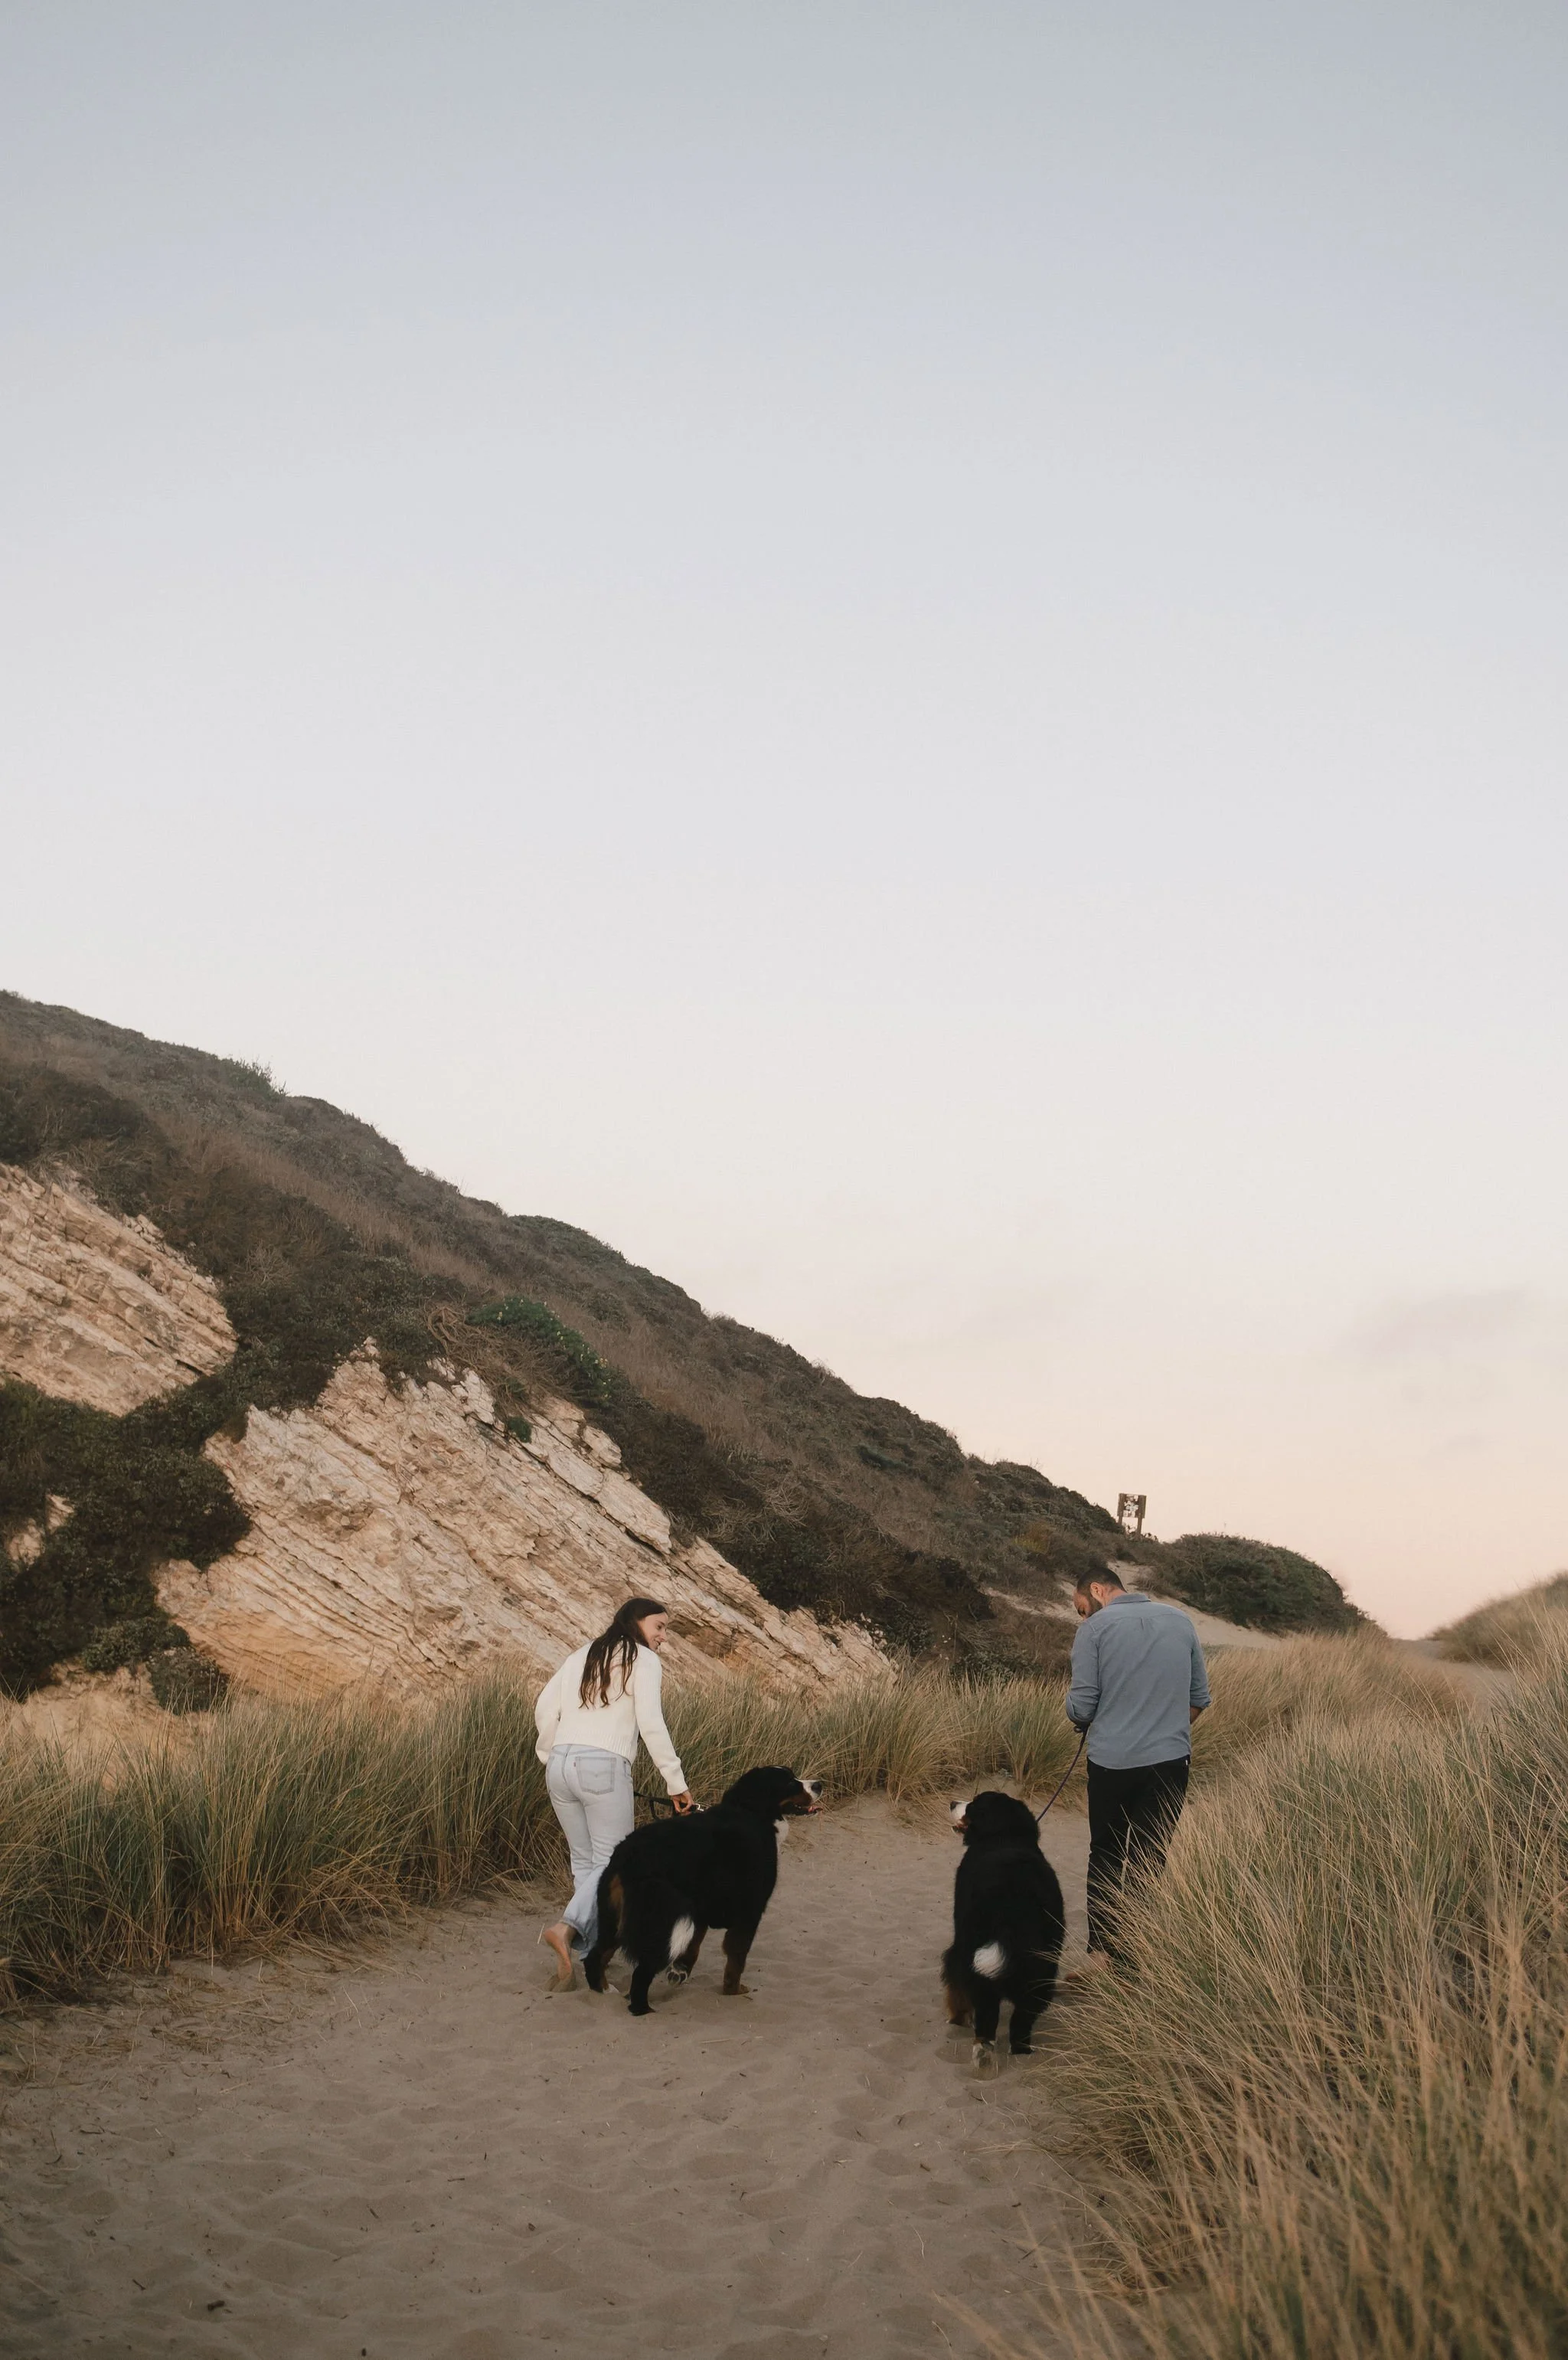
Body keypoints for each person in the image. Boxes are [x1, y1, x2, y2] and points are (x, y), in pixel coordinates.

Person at [535, 1597, 694, 1986]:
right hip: (603, 1766)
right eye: (659, 1627)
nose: (663, 1637)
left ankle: (592, 1958)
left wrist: (551, 1754)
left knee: (585, 1862)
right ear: (636, 1623)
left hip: (560, 1766)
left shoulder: (582, 1654)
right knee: (615, 1863)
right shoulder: (644, 1659)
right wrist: (675, 1782)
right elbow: (651, 1723)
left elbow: (544, 1707)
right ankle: (566, 1929)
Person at [1066, 1567, 1209, 1966]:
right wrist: (1165, 1728)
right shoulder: (1181, 1621)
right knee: (1149, 1856)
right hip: (1170, 1763)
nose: (1083, 1616)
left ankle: (1101, 1956)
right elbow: (1199, 1697)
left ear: (1096, 1589)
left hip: (1111, 1763)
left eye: (1081, 1608)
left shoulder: (1094, 1630)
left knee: (1107, 1853)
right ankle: (1133, 1958)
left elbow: (1082, 1707)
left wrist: (1077, 1711)